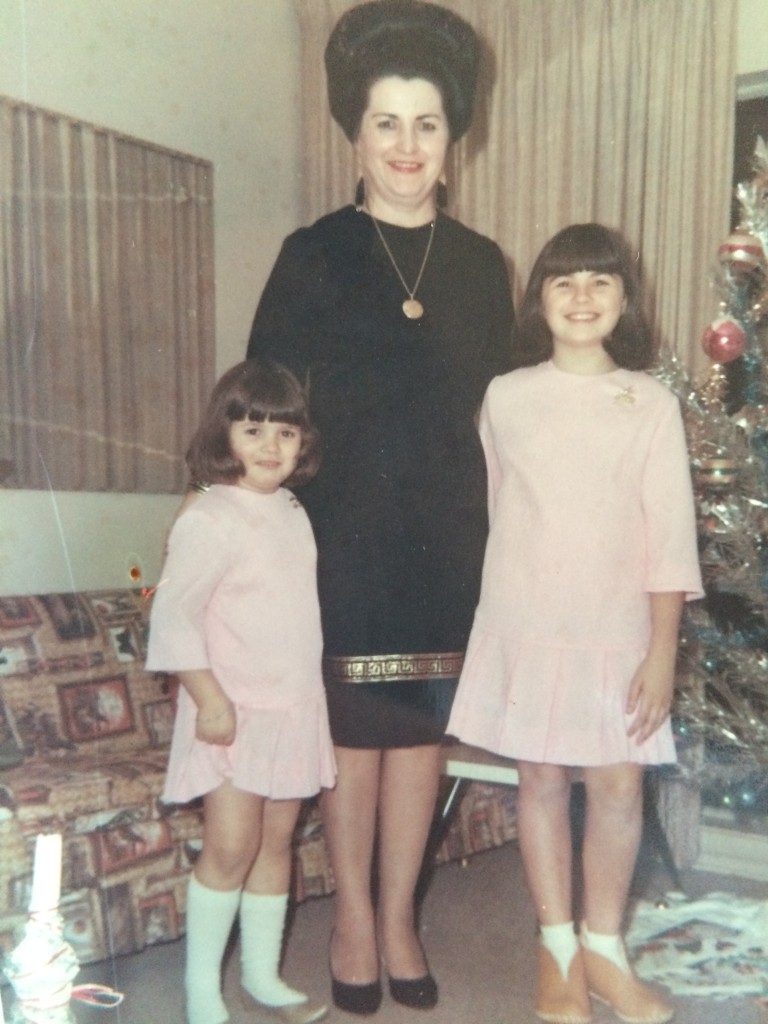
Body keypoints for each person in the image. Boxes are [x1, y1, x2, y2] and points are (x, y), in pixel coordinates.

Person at [245, 0, 515, 1014]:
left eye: (428, 124)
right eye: (387, 123)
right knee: (354, 741)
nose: (407, 145)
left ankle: (401, 910)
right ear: (357, 135)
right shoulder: (313, 253)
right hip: (339, 541)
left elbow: (508, 422)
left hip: (450, 545)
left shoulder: (485, 269)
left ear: (455, 141)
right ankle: (354, 917)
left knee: (419, 743)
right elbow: (264, 407)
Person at [448, 223, 703, 1024]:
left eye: (600, 282)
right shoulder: (505, 397)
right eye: (564, 282)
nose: (582, 296)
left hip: (618, 630)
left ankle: (605, 948)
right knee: (542, 780)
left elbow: (669, 537)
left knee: (620, 785)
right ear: (540, 300)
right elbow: (496, 509)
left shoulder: (652, 403)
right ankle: (556, 948)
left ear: (625, 300)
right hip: (527, 621)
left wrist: (660, 652)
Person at [146, 360, 335, 1024]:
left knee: (276, 842)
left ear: (302, 443)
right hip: (231, 712)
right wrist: (210, 699)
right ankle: (202, 985)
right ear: (222, 434)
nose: (269, 447)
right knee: (231, 846)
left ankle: (260, 973)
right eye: (252, 430)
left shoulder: (290, 510)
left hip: (291, 707)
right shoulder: (211, 514)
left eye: (285, 434)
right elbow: (172, 618)